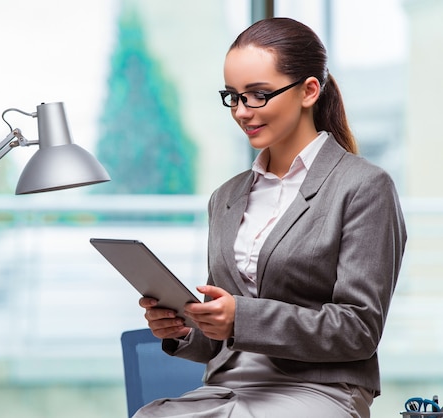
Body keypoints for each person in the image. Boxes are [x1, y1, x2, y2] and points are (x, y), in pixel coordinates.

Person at [135, 17, 407, 418]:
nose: (243, 112)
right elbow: (217, 339)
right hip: (227, 389)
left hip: (319, 389)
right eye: (233, 96)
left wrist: (240, 318)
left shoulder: (364, 187)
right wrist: (184, 329)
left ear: (309, 91)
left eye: (258, 95)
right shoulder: (226, 197)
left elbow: (359, 330)